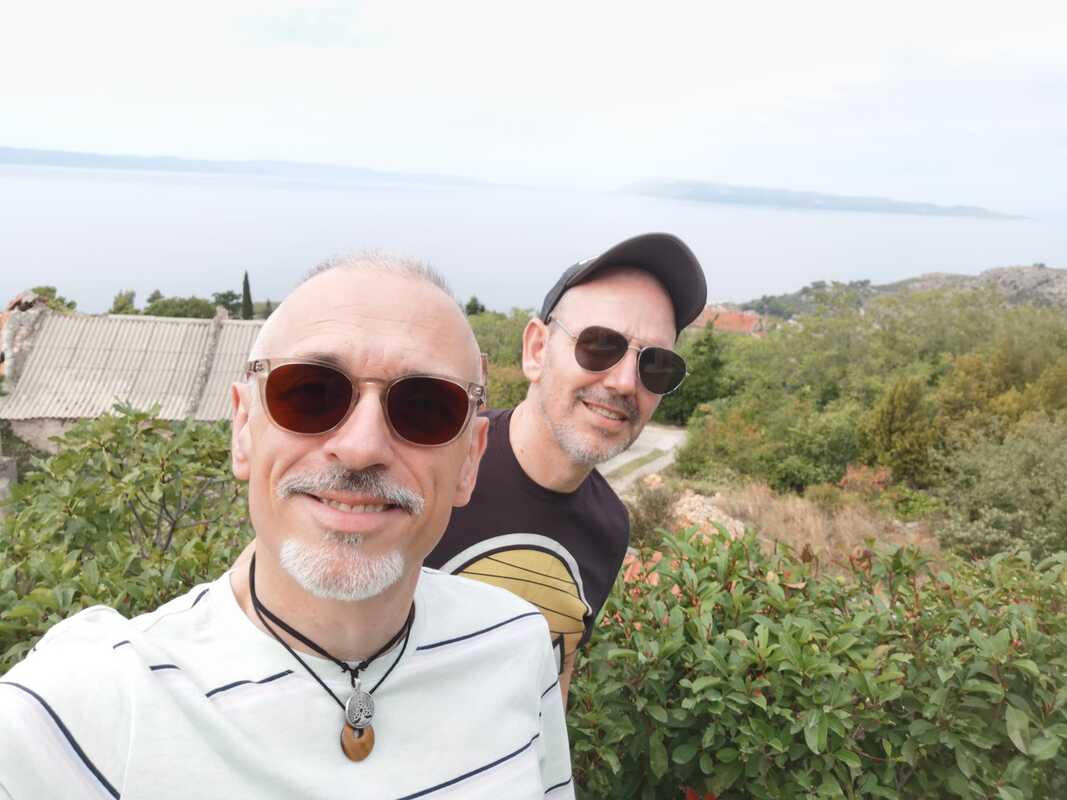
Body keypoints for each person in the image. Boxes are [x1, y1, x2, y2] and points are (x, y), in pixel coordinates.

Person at [0, 256, 574, 799]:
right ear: (243, 428)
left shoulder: (517, 646)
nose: (361, 447)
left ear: (470, 460)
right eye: (310, 394)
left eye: (426, 407)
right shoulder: (83, 709)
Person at [425, 233, 707, 702]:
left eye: (655, 365)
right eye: (600, 345)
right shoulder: (434, 460)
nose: (624, 382)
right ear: (537, 349)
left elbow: (556, 677)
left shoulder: (609, 527)